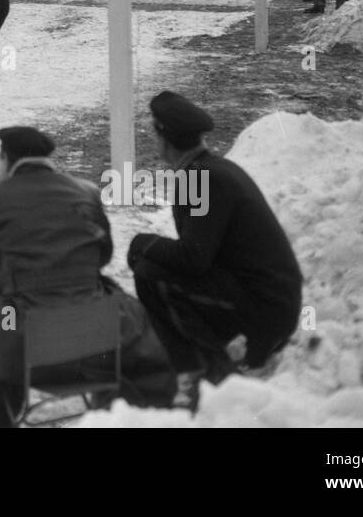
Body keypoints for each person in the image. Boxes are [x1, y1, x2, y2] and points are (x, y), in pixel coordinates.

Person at [0, 126, 177, 427]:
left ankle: (1, 407)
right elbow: (103, 255)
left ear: (6, 159)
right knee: (134, 316)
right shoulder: (86, 191)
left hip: (22, 328)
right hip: (97, 328)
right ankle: (116, 408)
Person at [127, 91, 303, 405]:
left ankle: (205, 372)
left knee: (151, 274)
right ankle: (205, 365)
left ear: (163, 139)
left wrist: (143, 243)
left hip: (266, 315)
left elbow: (193, 259)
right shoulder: (212, 170)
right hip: (273, 305)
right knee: (156, 266)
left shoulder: (200, 178)